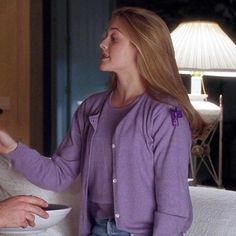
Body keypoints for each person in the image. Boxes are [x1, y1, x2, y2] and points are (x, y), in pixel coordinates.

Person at [0, 7, 207, 236]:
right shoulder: (91, 108)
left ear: (141, 47)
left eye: (114, 37)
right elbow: (58, 174)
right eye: (105, 35)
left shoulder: (165, 113)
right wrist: (11, 148)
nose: (103, 43)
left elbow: (173, 203)